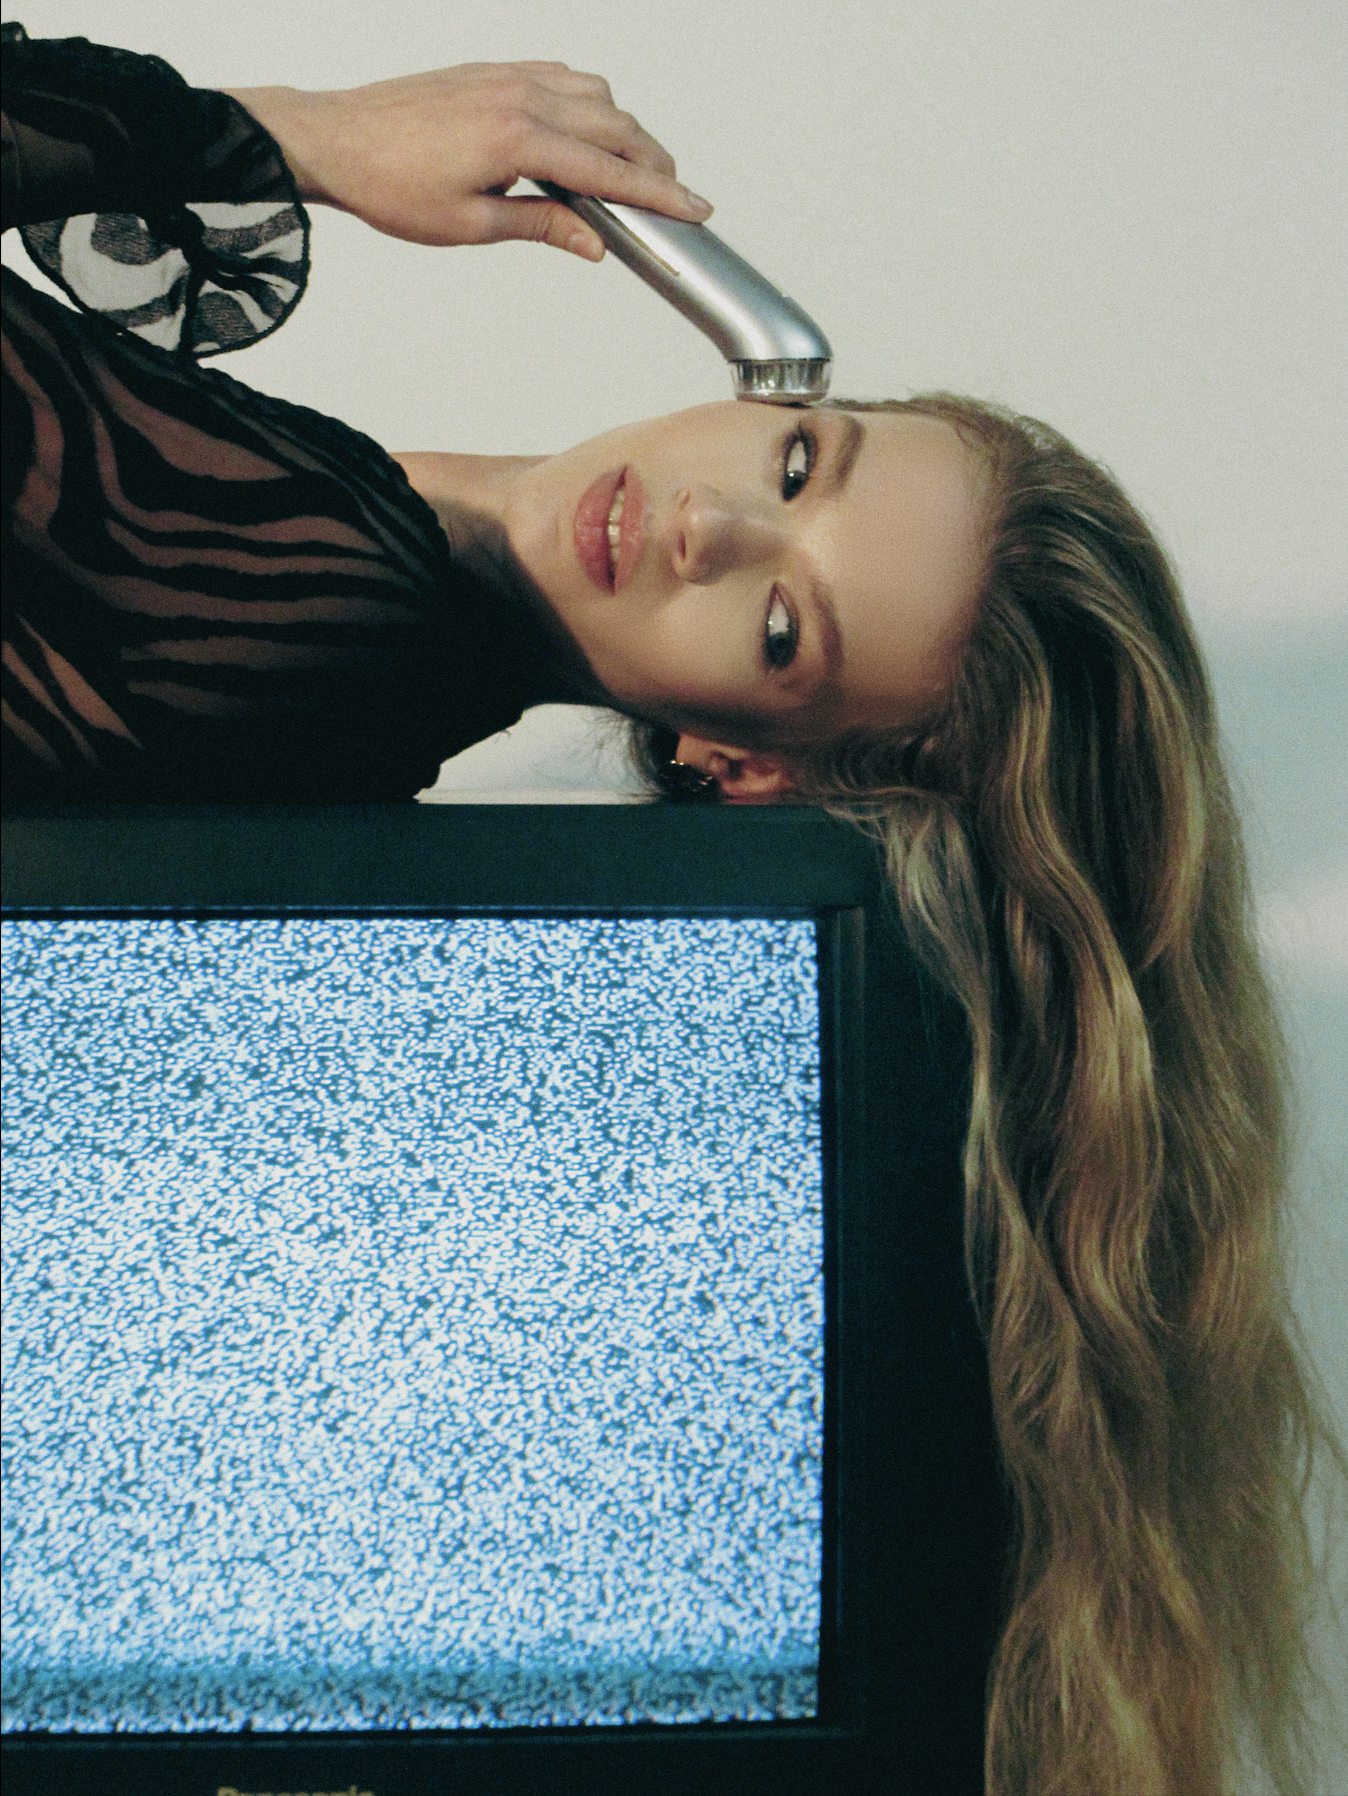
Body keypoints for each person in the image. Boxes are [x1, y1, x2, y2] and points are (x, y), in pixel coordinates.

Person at [2, 24, 1341, 1796]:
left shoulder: (330, 608)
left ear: (740, 762)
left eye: (785, 633)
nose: (707, 529)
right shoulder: (351, 583)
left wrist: (293, 137)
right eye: (805, 469)